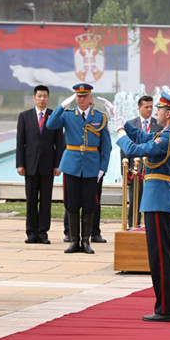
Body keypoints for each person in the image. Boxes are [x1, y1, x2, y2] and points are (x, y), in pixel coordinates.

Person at [112, 93, 170, 322]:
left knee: (160, 257)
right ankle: (166, 306)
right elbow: (144, 136)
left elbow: (137, 150)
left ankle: (165, 309)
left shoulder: (168, 137)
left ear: (169, 114)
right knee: (164, 255)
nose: (156, 112)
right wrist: (123, 122)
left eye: (160, 109)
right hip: (159, 198)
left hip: (158, 198)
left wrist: (120, 135)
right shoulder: (169, 133)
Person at [46, 83, 111, 254]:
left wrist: (103, 168)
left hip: (91, 165)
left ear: (90, 98)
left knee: (89, 204)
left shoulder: (100, 117)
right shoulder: (68, 115)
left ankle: (86, 241)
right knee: (72, 203)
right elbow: (50, 124)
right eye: (79, 96)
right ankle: (74, 241)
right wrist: (61, 106)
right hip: (72, 165)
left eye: (85, 96)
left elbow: (107, 146)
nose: (82, 99)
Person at [16, 85, 65, 244]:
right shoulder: (24, 116)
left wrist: (59, 165)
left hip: (48, 166)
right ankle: (31, 232)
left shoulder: (54, 117)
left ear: (48, 97)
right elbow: (20, 142)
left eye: (45, 96)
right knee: (30, 200)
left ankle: (43, 232)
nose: (42, 99)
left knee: (45, 200)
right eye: (39, 96)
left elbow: (60, 143)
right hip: (29, 166)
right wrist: (20, 164)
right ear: (34, 98)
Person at [122, 95, 162, 227]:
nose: (149, 109)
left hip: (153, 170)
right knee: (134, 200)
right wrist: (125, 171)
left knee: (152, 200)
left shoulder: (159, 125)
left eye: (151, 107)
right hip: (135, 170)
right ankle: (133, 225)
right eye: (146, 107)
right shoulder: (131, 125)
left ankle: (150, 226)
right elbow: (125, 149)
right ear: (139, 107)